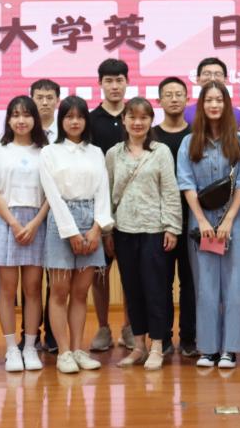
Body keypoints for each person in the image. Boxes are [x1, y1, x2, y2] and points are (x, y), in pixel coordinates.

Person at [177, 81, 240, 369]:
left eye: (219, 100)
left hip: (234, 221)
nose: (214, 105)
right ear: (201, 105)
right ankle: (208, 348)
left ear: (226, 105)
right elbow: (186, 184)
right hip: (201, 222)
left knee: (236, 286)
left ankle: (230, 349)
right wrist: (201, 220)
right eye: (208, 100)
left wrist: (228, 221)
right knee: (205, 285)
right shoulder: (189, 142)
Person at [106, 98, 182, 370]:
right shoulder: (113, 154)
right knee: (132, 289)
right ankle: (138, 346)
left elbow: (170, 191)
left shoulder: (160, 151)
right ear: (124, 120)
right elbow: (108, 193)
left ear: (151, 121)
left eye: (143, 118)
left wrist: (172, 227)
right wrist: (107, 231)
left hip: (155, 230)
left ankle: (158, 345)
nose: (137, 123)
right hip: (123, 229)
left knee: (156, 289)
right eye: (132, 117)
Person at [40, 96, 113, 374]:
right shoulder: (50, 152)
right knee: (59, 292)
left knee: (81, 293)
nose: (75, 122)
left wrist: (96, 229)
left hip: (91, 220)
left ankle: (78, 349)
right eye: (69, 116)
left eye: (80, 117)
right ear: (61, 120)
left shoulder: (96, 152)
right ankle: (63, 353)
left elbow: (102, 192)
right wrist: (71, 232)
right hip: (61, 221)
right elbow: (52, 195)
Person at [0, 96, 50, 372]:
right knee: (7, 290)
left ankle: (30, 347)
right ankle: (11, 349)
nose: (21, 120)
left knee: (33, 288)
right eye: (15, 115)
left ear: (35, 119)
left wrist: (35, 223)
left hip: (37, 222)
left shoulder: (45, 151)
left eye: (26, 115)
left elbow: (52, 193)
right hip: (4, 221)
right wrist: (13, 223)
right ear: (8, 119)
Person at [88, 58, 132, 351]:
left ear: (127, 82)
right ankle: (103, 327)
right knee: (99, 274)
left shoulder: (136, 116)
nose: (114, 86)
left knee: (131, 273)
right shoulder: (90, 120)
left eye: (119, 80)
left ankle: (129, 327)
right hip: (98, 209)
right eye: (109, 81)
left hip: (132, 209)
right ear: (100, 84)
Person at [152, 76, 196, 357]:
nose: (174, 99)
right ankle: (164, 338)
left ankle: (190, 338)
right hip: (160, 222)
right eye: (168, 94)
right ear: (159, 100)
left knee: (191, 282)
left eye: (179, 94)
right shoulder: (151, 136)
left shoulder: (196, 135)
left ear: (187, 98)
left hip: (193, 219)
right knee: (161, 282)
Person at [30, 78, 61, 354]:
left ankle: (52, 335)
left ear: (57, 101)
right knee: (30, 280)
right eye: (39, 97)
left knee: (55, 277)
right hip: (29, 211)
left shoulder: (66, 132)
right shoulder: (22, 132)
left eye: (50, 97)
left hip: (59, 212)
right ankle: (28, 335)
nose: (44, 102)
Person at [183, 57, 240, 125]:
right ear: (198, 79)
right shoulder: (185, 114)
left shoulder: (238, 115)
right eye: (207, 74)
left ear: (225, 80)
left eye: (218, 74)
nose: (212, 79)